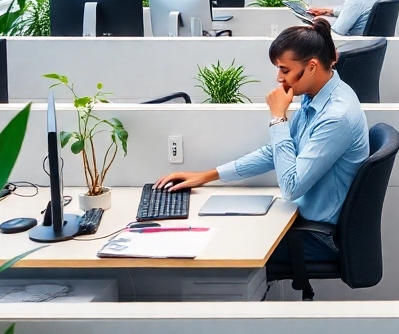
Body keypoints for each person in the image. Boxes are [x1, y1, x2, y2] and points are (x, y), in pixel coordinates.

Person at [154, 20, 369, 274]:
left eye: (284, 70)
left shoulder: (336, 116)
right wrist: (207, 176)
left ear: (311, 67)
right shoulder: (316, 96)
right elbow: (275, 152)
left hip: (315, 236)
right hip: (298, 220)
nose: (279, 79)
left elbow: (291, 187)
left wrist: (278, 117)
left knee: (213, 246)